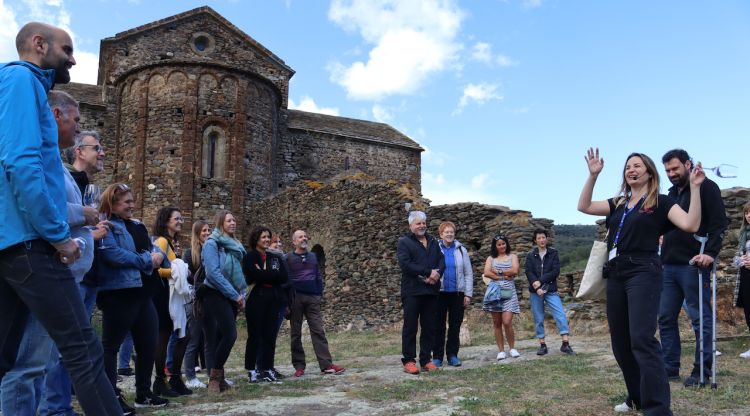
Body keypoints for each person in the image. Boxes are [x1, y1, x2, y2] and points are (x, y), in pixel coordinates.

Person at [0, 21, 122, 416]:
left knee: (6, 356)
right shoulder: (22, 80)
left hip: (12, 244)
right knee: (83, 350)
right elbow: (21, 163)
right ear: (39, 44)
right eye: (67, 49)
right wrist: (59, 237)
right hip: (31, 245)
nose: (72, 58)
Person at [577, 148, 704, 415]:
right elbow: (584, 206)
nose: (631, 170)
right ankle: (636, 397)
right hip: (615, 273)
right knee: (620, 343)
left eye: (637, 166)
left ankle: (657, 408)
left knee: (642, 339)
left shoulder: (660, 202)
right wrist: (592, 176)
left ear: (648, 172)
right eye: (627, 167)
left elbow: (691, 224)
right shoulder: (619, 203)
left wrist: (694, 189)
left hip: (643, 272)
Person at [42, 128, 110, 416]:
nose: (103, 152)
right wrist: (87, 226)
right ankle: (55, 408)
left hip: (84, 276)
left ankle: (59, 406)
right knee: (63, 349)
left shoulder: (84, 183)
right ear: (80, 151)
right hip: (66, 273)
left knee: (74, 349)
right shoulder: (62, 175)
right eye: (97, 147)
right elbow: (52, 213)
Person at [658, 149, 728, 387]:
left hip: (693, 263)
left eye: (675, 168)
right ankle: (669, 368)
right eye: (667, 170)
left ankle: (702, 371)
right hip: (668, 264)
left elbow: (719, 223)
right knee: (665, 317)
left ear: (688, 164)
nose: (671, 173)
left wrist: (710, 253)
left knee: (700, 318)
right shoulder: (670, 193)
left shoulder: (706, 187)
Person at [97, 183, 169, 411]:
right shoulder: (106, 225)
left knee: (148, 345)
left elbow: (152, 248)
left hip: (143, 293)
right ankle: (112, 398)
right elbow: (113, 255)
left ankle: (144, 393)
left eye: (131, 200)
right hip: (120, 293)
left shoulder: (137, 225)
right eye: (126, 201)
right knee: (111, 346)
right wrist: (148, 260)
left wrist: (154, 255)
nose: (131, 205)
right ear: (113, 203)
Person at [287, 229, 346, 377]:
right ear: (294, 241)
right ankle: (299, 366)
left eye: (305, 236)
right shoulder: (287, 258)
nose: (304, 238)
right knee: (295, 333)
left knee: (318, 331)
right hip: (295, 299)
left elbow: (318, 276)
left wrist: (319, 294)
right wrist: (287, 302)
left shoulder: (313, 257)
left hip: (312, 298)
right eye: (300, 237)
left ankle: (326, 364)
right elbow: (285, 281)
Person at [201, 210, 246, 393]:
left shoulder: (235, 245)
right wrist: (234, 295)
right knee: (230, 334)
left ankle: (220, 379)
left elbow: (239, 274)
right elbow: (213, 273)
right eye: (229, 220)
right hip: (214, 293)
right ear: (220, 223)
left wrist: (241, 294)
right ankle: (214, 377)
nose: (233, 223)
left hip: (232, 294)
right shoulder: (212, 244)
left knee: (221, 336)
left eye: (234, 219)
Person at [396, 211, 445, 374]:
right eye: (418, 223)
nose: (422, 225)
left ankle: (425, 360)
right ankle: (409, 361)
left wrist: (436, 275)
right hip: (412, 291)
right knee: (410, 326)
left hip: (431, 290)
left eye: (423, 222)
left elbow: (441, 260)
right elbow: (406, 264)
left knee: (429, 326)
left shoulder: (432, 241)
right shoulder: (404, 242)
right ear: (411, 226)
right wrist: (427, 272)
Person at [152, 207, 193, 396]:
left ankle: (174, 378)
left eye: (181, 218)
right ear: (166, 220)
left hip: (171, 295)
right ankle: (162, 381)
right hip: (163, 295)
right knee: (165, 336)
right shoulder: (161, 241)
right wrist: (179, 271)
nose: (180, 221)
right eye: (176, 218)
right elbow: (156, 268)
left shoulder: (170, 242)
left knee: (183, 335)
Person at [244, 226, 288, 383]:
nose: (267, 240)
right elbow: (253, 275)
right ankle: (251, 369)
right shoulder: (250, 257)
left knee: (270, 335)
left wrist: (264, 275)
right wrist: (270, 275)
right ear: (256, 239)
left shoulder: (274, 257)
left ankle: (267, 368)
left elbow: (283, 276)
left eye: (268, 237)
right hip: (256, 299)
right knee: (255, 335)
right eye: (263, 237)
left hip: (273, 298)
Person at [525, 228, 574, 356]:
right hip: (536, 292)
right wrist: (537, 288)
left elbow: (555, 271)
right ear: (535, 240)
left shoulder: (553, 253)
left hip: (551, 290)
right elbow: (529, 272)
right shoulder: (530, 255)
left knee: (560, 315)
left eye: (543, 237)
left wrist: (540, 281)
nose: (542, 240)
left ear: (547, 239)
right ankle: (542, 345)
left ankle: (565, 344)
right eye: (539, 238)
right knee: (539, 318)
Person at [432, 221, 473, 367]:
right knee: (438, 326)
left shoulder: (461, 250)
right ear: (441, 234)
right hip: (439, 293)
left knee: (455, 326)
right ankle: (437, 357)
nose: (449, 234)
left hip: (457, 294)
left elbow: (468, 273)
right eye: (446, 232)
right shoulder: (434, 249)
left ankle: (452, 355)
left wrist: (468, 294)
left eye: (451, 232)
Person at [182, 220, 212, 388]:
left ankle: (212, 375)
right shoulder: (190, 253)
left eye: (209, 230)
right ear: (197, 233)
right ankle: (191, 377)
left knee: (210, 340)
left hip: (211, 299)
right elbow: (188, 277)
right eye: (204, 231)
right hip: (196, 300)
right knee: (193, 339)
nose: (207, 233)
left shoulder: (213, 250)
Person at [483, 234, 521, 361]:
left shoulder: (513, 256)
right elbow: (487, 272)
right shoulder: (490, 258)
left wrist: (498, 271)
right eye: (499, 244)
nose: (501, 246)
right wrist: (503, 276)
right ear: (495, 246)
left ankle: (512, 348)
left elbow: (515, 270)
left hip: (508, 291)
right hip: (495, 292)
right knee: (497, 322)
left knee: (507, 321)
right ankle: (501, 351)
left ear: (506, 244)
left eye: (503, 243)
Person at [733, 202, 750, 358]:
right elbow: (735, 260)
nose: (749, 215)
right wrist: (741, 260)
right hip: (745, 277)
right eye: (746, 212)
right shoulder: (743, 234)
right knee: (749, 312)